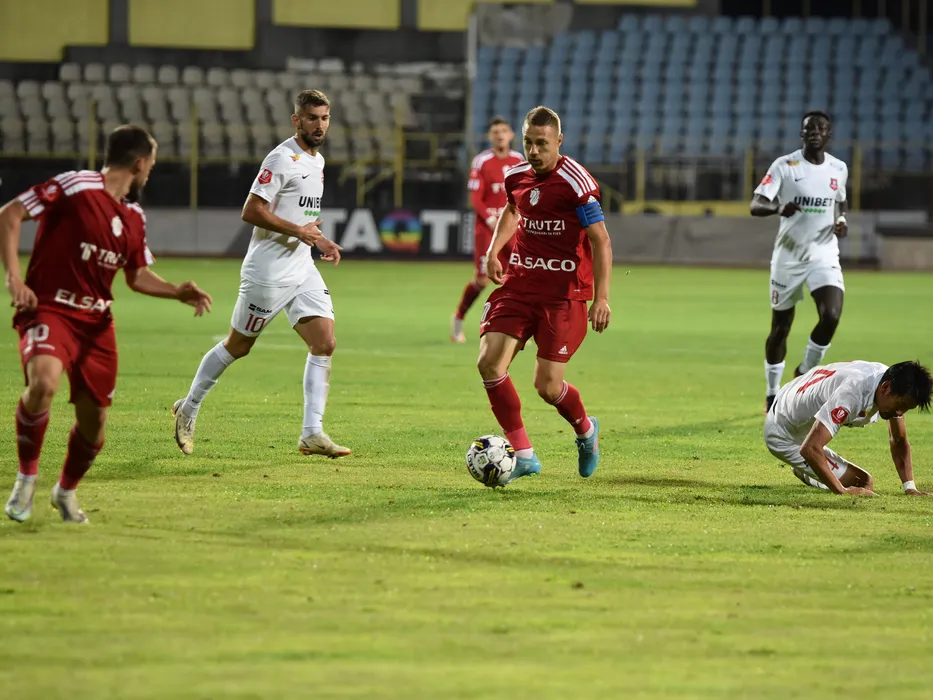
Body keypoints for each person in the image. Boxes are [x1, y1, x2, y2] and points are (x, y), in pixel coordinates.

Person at [2, 125, 213, 523]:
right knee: (43, 383)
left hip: (96, 324)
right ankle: (26, 480)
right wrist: (14, 278)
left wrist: (175, 291)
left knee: (94, 426)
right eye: (151, 164)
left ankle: (65, 491)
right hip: (50, 309)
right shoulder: (76, 186)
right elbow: (10, 214)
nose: (150, 171)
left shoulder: (133, 216)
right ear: (140, 163)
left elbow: (136, 275)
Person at [173, 90, 349, 458]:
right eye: (312, 118)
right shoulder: (281, 158)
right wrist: (298, 231)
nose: (319, 125)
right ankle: (189, 407)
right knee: (238, 346)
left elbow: (301, 217)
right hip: (268, 272)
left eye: (324, 118)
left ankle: (312, 433)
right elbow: (251, 210)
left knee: (325, 342)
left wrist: (319, 240)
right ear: (296, 120)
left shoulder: (317, 161)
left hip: (302, 267)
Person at [476, 105, 612, 485]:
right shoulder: (516, 176)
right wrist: (493, 251)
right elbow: (512, 210)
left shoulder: (577, 184)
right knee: (489, 363)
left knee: (547, 387)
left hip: (563, 295)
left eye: (542, 144)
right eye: (528, 143)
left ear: (559, 141)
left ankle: (586, 430)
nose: (534, 151)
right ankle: (524, 455)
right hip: (520, 285)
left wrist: (601, 299)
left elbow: (601, 241)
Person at [751, 111, 849, 412]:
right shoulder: (785, 166)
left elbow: (839, 201)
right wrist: (779, 207)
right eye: (809, 128)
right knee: (781, 328)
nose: (815, 132)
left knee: (831, 316)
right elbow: (756, 204)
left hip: (824, 254)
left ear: (829, 134)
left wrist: (841, 219)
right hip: (789, 258)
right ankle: (772, 393)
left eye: (821, 128)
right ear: (802, 133)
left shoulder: (839, 168)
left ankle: (805, 372)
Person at [764, 360, 932, 496]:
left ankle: (807, 469)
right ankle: (807, 472)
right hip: (783, 431)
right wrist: (842, 491)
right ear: (885, 388)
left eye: (906, 409)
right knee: (861, 482)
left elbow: (899, 439)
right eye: (901, 405)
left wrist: (910, 487)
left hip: (792, 397)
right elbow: (810, 448)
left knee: (855, 479)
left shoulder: (890, 379)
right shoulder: (852, 393)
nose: (900, 413)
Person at [450, 116, 523, 343]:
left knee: (518, 278)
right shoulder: (481, 161)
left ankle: (517, 327)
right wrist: (490, 219)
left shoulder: (519, 160)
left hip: (511, 228)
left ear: (511, 135)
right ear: (490, 136)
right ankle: (458, 318)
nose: (500, 135)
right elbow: (476, 198)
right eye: (495, 132)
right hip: (487, 229)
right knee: (482, 280)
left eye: (504, 131)